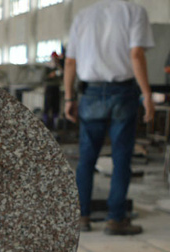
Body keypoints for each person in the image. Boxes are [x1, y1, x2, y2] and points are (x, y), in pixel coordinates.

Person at [64, 0, 154, 235]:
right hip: (122, 92)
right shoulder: (134, 11)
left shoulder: (83, 16)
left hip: (91, 92)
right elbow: (136, 54)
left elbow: (70, 61)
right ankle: (115, 219)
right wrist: (147, 95)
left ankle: (81, 216)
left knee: (86, 158)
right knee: (121, 158)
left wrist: (69, 98)